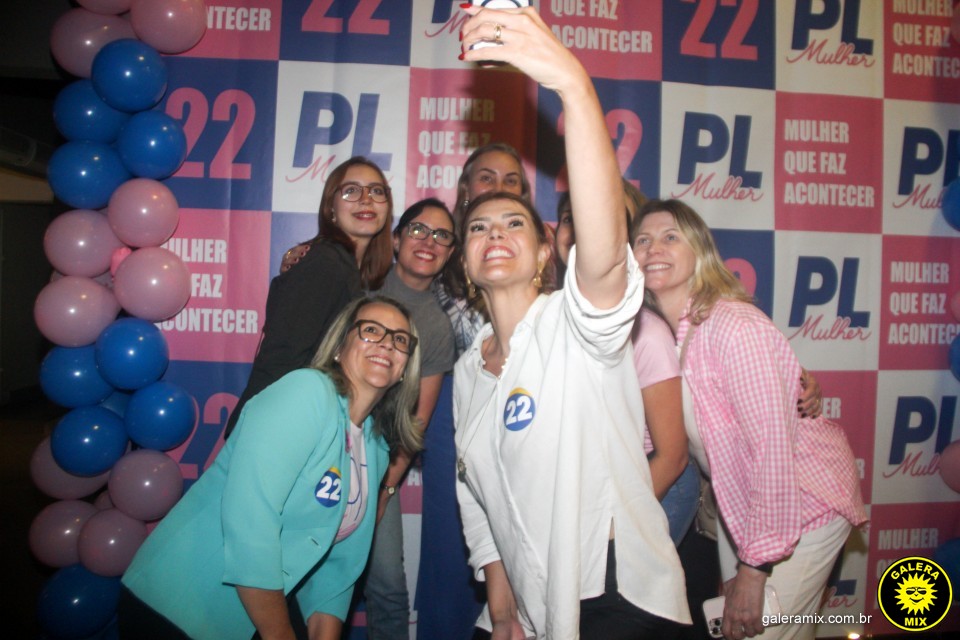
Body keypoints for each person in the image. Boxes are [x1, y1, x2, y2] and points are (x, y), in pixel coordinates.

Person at [455, 6, 690, 638]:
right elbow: (478, 497)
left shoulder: (577, 323)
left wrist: (571, 84)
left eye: (514, 223)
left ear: (544, 255)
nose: (494, 233)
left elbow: (605, 255)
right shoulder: (468, 368)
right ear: (466, 264)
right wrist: (501, 607)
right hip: (528, 600)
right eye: (478, 227)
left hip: (612, 591)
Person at [630, 199, 867, 640]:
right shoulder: (658, 334)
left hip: (802, 505)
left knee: (757, 631)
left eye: (670, 237)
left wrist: (755, 570)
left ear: (700, 251)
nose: (653, 249)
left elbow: (772, 451)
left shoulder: (734, 326)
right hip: (740, 506)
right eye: (642, 240)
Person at [119, 296, 422, 640]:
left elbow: (340, 567)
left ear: (405, 367)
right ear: (339, 347)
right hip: (180, 604)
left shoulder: (377, 446)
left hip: (253, 618)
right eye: (371, 330)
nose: (386, 343)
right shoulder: (307, 392)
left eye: (400, 339)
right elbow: (252, 518)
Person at [416, 144, 537, 640]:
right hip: (455, 418)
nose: (499, 186)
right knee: (456, 553)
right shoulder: (440, 255)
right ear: (465, 190)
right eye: (487, 177)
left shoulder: (538, 260)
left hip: (529, 415)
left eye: (512, 180)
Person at [554, 183, 697, 546]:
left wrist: (612, 522)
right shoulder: (549, 317)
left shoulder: (646, 331)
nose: (584, 228)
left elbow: (672, 456)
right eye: (571, 218)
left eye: (601, 218)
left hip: (650, 485)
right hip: (593, 490)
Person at [224, 156, 394, 438]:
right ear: (331, 208)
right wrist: (263, 436)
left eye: (376, 191)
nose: (366, 199)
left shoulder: (348, 269)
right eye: (352, 190)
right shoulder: (325, 264)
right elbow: (281, 357)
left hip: (302, 424)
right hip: (277, 429)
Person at [363, 199, 457, 639]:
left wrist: (386, 488)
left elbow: (417, 421)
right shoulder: (358, 284)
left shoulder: (437, 326)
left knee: (387, 585)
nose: (428, 242)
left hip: (377, 462)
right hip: (318, 448)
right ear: (397, 239)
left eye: (441, 236)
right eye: (418, 230)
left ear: (450, 252)